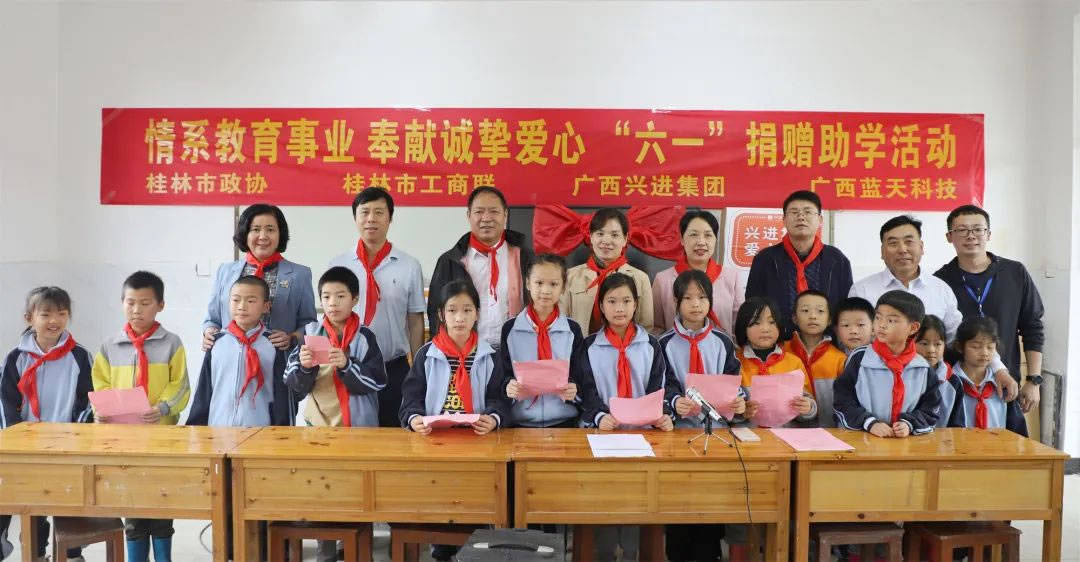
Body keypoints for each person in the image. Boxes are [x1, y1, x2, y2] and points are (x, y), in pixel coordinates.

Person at [91, 271, 190, 562]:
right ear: (122, 303)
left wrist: (163, 408)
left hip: (162, 439)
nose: (137, 310)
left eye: (145, 303)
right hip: (124, 441)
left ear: (160, 305)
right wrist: (103, 410)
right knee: (132, 505)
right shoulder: (110, 346)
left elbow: (181, 384)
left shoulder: (172, 343)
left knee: (161, 503)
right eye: (130, 302)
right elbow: (100, 383)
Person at [0, 287, 94, 562]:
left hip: (67, 446)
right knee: (33, 504)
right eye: (45, 314)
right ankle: (37, 554)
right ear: (29, 318)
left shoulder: (79, 355)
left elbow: (87, 399)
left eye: (62, 313)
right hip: (26, 449)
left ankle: (72, 555)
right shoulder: (15, 357)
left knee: (68, 502)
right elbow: (5, 401)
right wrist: (19, 437)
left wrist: (74, 433)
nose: (54, 320)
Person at [659, 270, 741, 562]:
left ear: (711, 301)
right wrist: (674, 401)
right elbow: (662, 383)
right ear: (676, 302)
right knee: (678, 499)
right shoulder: (663, 343)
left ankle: (710, 552)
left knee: (711, 499)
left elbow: (733, 380)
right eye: (688, 298)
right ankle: (677, 552)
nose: (696, 304)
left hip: (715, 434)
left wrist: (739, 400)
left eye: (702, 298)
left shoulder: (722, 341)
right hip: (679, 434)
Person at [934, 204, 1045, 415]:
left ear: (989, 234)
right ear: (949, 237)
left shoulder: (1015, 273)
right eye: (962, 230)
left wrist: (1034, 380)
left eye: (978, 229)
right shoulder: (940, 282)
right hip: (957, 386)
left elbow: (1033, 327)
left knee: (1008, 437)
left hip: (1007, 383)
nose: (971, 236)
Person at [329, 188, 425, 427]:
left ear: (390, 219)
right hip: (350, 365)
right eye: (365, 212)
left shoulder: (409, 265)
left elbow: (415, 320)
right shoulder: (338, 264)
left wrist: (418, 368)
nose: (371, 219)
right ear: (355, 218)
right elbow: (330, 318)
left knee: (396, 433)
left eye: (379, 212)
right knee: (353, 435)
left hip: (394, 367)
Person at [202, 204, 316, 356]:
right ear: (245, 233)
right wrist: (209, 332)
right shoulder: (225, 271)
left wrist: (292, 338)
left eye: (270, 230)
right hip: (231, 357)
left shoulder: (300, 274)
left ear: (280, 234)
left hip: (280, 360)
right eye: (255, 229)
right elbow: (212, 319)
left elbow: (309, 324)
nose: (263, 236)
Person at [400, 280, 510, 435]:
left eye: (467, 310)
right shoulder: (426, 355)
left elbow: (498, 397)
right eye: (452, 310)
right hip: (433, 434)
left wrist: (493, 418)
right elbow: (412, 397)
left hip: (477, 435)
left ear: (477, 314)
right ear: (441, 314)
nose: (459, 318)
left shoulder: (490, 356)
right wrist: (414, 418)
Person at [745, 190, 853, 337]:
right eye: (794, 212)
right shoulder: (765, 259)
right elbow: (753, 305)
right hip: (778, 342)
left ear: (820, 219)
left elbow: (846, 307)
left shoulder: (837, 260)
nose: (801, 216)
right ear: (784, 220)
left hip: (826, 342)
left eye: (808, 212)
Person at [188, 276, 291, 427]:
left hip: (260, 430)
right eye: (236, 300)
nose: (242, 306)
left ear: (266, 306)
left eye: (251, 301)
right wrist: (195, 427)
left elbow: (281, 394)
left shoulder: (273, 344)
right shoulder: (216, 342)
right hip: (217, 428)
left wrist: (281, 431)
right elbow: (204, 390)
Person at [833, 290, 940, 437]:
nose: (882, 325)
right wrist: (869, 423)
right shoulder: (860, 358)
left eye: (891, 321)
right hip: (861, 438)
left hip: (905, 443)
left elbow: (930, 408)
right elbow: (843, 399)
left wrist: (909, 424)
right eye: (878, 318)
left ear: (913, 328)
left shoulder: (922, 367)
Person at [578, 272, 673, 431]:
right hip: (603, 428)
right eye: (612, 301)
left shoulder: (650, 345)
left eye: (626, 301)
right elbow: (586, 390)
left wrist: (663, 416)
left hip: (644, 430)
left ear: (635, 304)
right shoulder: (589, 347)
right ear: (601, 306)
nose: (619, 309)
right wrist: (599, 416)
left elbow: (657, 389)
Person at [499, 254, 583, 428]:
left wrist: (574, 387)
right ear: (527, 283)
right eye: (539, 283)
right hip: (520, 422)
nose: (545, 290)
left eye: (553, 284)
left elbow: (581, 375)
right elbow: (503, 373)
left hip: (565, 420)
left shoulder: (572, 330)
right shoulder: (510, 329)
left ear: (563, 287)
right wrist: (508, 385)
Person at [652, 210, 744, 335]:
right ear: (682, 239)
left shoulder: (732, 278)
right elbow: (656, 326)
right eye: (694, 235)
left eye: (708, 235)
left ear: (715, 239)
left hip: (722, 346)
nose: (701, 242)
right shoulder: (663, 280)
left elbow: (739, 325)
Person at [562, 208, 653, 335]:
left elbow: (646, 327)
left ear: (625, 239)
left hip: (625, 347)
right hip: (579, 346)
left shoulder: (640, 278)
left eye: (614, 235)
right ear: (591, 236)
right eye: (600, 234)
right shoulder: (570, 276)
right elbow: (562, 323)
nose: (606, 241)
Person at [947, 316, 1028, 434]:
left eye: (990, 347)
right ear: (959, 347)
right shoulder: (949, 383)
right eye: (976, 347)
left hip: (999, 445)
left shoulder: (1003, 385)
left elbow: (1017, 429)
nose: (984, 352)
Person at [783, 290, 847, 427]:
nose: (813, 316)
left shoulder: (839, 359)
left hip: (829, 431)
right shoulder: (781, 353)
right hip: (787, 432)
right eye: (805, 310)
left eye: (820, 311)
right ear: (794, 318)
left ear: (829, 319)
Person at [913, 315, 957, 429]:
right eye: (924, 343)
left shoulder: (953, 381)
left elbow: (957, 423)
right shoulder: (905, 375)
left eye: (938, 344)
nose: (931, 350)